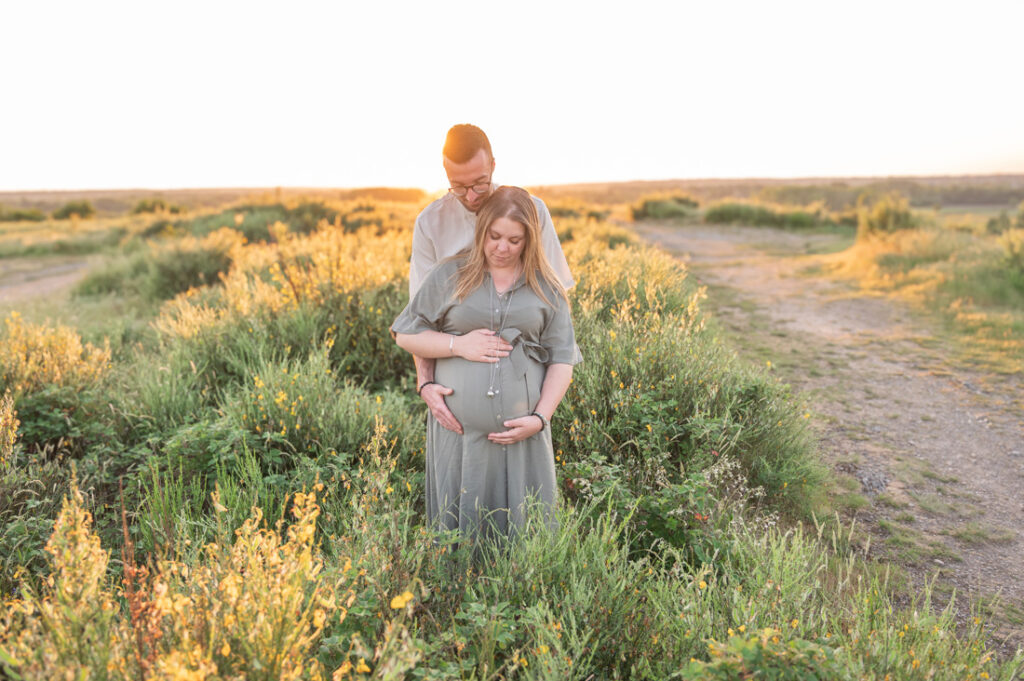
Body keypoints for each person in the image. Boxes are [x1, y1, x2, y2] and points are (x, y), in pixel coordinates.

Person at [392, 187, 581, 539]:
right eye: (494, 236)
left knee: (526, 534)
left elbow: (562, 359)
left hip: (523, 435)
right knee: (458, 533)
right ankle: (455, 591)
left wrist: (540, 419)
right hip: (459, 435)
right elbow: (405, 334)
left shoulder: (546, 286)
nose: (502, 247)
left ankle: (526, 591)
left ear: (529, 239)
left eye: (514, 239)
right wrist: (457, 345)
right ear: (482, 232)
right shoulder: (450, 274)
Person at [409, 124, 573, 437]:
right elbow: (419, 320)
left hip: (527, 401)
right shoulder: (430, 223)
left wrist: (543, 411)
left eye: (480, 184)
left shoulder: (533, 211)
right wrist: (426, 383)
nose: (470, 196)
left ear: (493, 166)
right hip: (454, 406)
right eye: (458, 186)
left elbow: (557, 307)